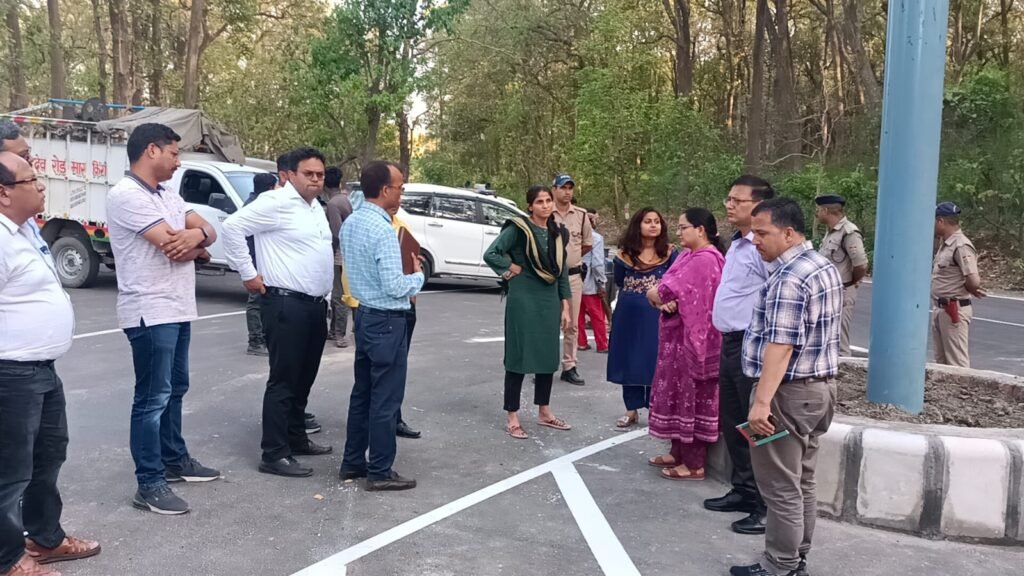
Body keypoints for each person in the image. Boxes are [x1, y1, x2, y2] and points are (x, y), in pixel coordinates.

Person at [106, 123, 221, 516]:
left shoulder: (168, 193)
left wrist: (198, 238)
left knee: (176, 388)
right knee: (152, 397)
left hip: (177, 306)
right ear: (151, 150)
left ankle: (174, 460)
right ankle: (149, 482)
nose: (178, 161)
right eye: (174, 153)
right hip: (150, 310)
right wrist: (196, 242)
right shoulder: (126, 195)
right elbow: (172, 245)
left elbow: (207, 230)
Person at [0, 151, 101, 576]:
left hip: (42, 370)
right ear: (4, 193)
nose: (41, 185)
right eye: (31, 179)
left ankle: (44, 537)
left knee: (48, 457)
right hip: (11, 375)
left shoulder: (25, 230)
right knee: (10, 471)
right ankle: (7, 560)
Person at [730, 197, 843, 576]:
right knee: (802, 481)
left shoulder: (789, 278)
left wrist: (761, 403)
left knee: (780, 487)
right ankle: (796, 557)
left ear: (790, 233)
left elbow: (781, 346)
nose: (755, 241)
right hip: (819, 391)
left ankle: (780, 564)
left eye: (762, 233)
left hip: (786, 395)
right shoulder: (821, 266)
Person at [221, 147, 335, 478]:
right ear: (290, 175)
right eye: (308, 174)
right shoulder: (275, 203)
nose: (315, 180)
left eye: (320, 174)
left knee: (304, 377)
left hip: (314, 304)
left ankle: (296, 437)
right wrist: (248, 273)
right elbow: (232, 228)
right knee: (284, 380)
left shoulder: (315, 208)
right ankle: (274, 452)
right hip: (286, 303)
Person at [339, 161, 424, 491]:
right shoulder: (383, 230)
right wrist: (418, 276)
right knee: (386, 399)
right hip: (388, 320)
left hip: (365, 314)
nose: (401, 193)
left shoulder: (352, 222)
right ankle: (380, 470)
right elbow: (394, 285)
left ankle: (352, 462)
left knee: (362, 393)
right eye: (400, 187)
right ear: (385, 189)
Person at [705, 175, 775, 535]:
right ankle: (744, 490)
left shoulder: (765, 248)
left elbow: (774, 294)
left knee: (756, 425)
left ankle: (766, 505)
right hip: (730, 341)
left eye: (738, 200)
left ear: (759, 205)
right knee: (733, 419)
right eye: (728, 199)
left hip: (752, 342)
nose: (730, 205)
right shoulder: (737, 243)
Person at [484, 185, 574, 440]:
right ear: (530, 206)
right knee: (519, 355)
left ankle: (544, 411)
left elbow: (561, 272)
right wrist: (510, 267)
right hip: (523, 298)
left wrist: (566, 306)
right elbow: (491, 253)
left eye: (548, 201)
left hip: (549, 299)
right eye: (539, 202)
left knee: (547, 356)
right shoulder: (519, 229)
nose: (545, 205)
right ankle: (512, 416)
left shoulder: (558, 233)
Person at [646, 208, 726, 481]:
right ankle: (677, 451)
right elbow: (668, 290)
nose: (678, 232)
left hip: (696, 341)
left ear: (700, 230)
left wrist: (654, 295)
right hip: (678, 336)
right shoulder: (687, 255)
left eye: (683, 227)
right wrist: (660, 298)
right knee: (677, 391)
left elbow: (663, 290)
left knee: (692, 395)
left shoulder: (705, 259)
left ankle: (694, 464)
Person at [607, 208, 678, 428]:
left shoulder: (670, 253)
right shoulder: (624, 254)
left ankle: (656, 408)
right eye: (648, 221)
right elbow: (620, 281)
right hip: (629, 312)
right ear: (638, 225)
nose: (653, 225)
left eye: (657, 221)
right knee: (629, 357)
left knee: (654, 357)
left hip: (657, 311)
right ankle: (631, 409)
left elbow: (675, 281)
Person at [931, 201, 985, 368]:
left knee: (957, 364)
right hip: (940, 308)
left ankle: (963, 387)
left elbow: (974, 280)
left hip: (953, 309)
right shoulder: (945, 244)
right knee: (942, 364)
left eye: (933, 221)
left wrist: (970, 288)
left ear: (941, 221)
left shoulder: (961, 245)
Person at [551, 173, 593, 385]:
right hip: (549, 277)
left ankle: (569, 366)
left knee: (571, 324)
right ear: (554, 190)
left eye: (570, 188)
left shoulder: (581, 215)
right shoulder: (546, 212)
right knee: (548, 322)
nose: (567, 192)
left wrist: (571, 259)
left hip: (572, 276)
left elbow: (587, 244)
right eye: (563, 188)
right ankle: (544, 365)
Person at [814, 194, 867, 355]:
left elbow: (861, 264)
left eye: (818, 210)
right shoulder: (831, 232)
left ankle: (843, 367)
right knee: (826, 337)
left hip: (842, 290)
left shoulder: (848, 232)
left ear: (826, 210)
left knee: (839, 341)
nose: (816, 213)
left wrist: (850, 282)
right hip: (828, 291)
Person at [244, 172, 280, 357]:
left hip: (261, 258)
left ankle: (263, 337)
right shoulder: (255, 207)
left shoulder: (255, 203)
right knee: (256, 300)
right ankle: (255, 340)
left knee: (264, 299)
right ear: (269, 188)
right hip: (255, 259)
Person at [325, 166, 353, 348]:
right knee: (340, 294)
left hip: (339, 254)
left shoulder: (333, 204)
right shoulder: (344, 199)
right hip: (347, 253)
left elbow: (337, 233)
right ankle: (333, 330)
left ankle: (339, 334)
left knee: (338, 296)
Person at [577, 208, 608, 353]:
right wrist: (601, 282)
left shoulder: (572, 236)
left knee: (578, 314)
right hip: (590, 281)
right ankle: (602, 344)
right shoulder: (596, 238)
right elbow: (597, 263)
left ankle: (581, 342)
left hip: (574, 280)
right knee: (597, 315)